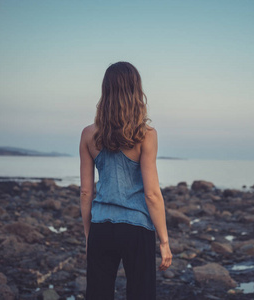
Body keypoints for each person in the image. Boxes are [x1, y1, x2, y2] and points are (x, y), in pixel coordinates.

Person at [79, 61, 172, 300]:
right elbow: (152, 194)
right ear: (136, 91)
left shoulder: (89, 134)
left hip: (101, 227)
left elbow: (86, 193)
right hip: (137, 229)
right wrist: (164, 240)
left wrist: (89, 236)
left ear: (106, 91)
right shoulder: (146, 135)